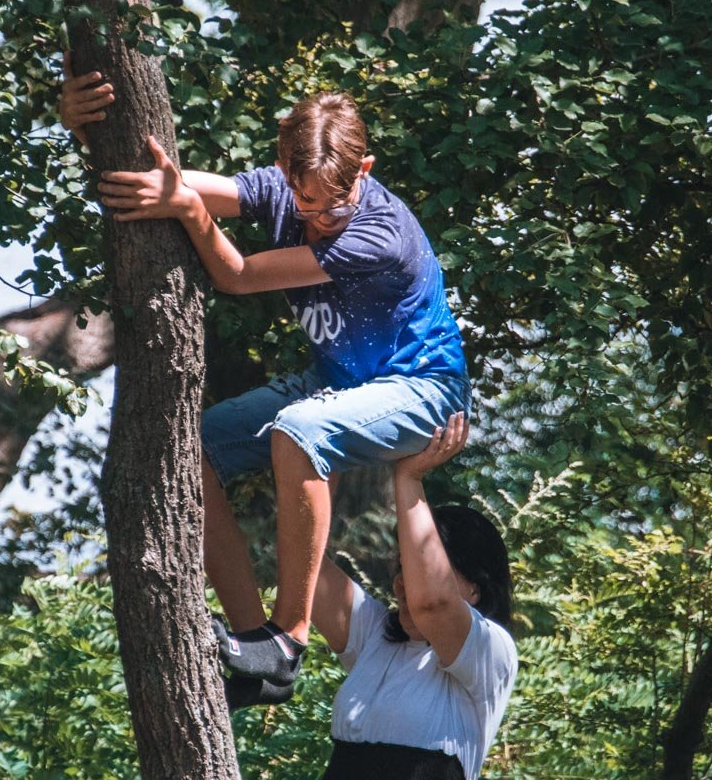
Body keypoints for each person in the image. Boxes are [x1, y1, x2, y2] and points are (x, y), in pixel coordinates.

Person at [59, 58, 471, 692]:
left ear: (364, 169)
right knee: (188, 446)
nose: (321, 216)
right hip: (337, 384)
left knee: (299, 432)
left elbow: (238, 275)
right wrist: (85, 129)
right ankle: (256, 648)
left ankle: (288, 638)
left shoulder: (380, 233)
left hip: (423, 390)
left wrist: (191, 213)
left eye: (336, 202)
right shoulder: (280, 189)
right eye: (306, 201)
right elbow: (160, 182)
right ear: (285, 172)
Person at [229, 412, 517, 780]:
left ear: (475, 588)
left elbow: (433, 604)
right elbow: (303, 560)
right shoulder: (377, 635)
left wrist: (409, 477)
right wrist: (323, 448)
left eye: (423, 572)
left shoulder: (492, 652)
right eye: (403, 568)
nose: (405, 583)